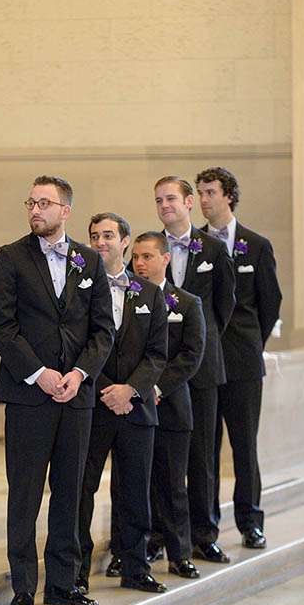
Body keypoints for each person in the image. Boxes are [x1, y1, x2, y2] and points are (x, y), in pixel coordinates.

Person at [0, 175, 114, 605]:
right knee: (24, 492)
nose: (35, 210)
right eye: (31, 202)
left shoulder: (89, 262)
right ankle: (23, 585)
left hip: (75, 397)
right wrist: (38, 374)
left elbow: (103, 330)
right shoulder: (10, 257)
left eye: (45, 203)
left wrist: (79, 374)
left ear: (65, 211)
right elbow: (1, 327)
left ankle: (64, 583)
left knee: (71, 490)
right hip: (29, 396)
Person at [145, 176, 235, 567]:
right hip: (155, 371)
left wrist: (198, 347)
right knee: (157, 457)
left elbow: (224, 308)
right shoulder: (149, 249)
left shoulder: (213, 248)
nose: (165, 205)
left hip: (199, 369)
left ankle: (203, 534)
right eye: (159, 200)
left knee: (202, 456)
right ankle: (158, 534)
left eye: (172, 199)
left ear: (188, 203)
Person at [77, 213, 167, 595]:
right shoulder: (79, 290)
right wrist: (106, 390)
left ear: (125, 241)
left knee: (134, 491)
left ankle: (135, 567)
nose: (101, 242)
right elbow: (77, 348)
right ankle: (75, 572)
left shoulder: (149, 293)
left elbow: (157, 355)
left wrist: (129, 390)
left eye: (108, 235)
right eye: (95, 236)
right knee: (82, 490)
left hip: (136, 408)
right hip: (93, 407)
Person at [196, 167, 282, 550]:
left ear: (229, 195)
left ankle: (251, 521)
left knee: (244, 444)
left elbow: (270, 302)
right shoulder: (194, 243)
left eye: (210, 192)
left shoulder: (256, 244)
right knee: (205, 447)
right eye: (199, 193)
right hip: (204, 362)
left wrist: (251, 342)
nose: (203, 200)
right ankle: (206, 527)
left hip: (244, 361)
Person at [131, 231, 205, 580]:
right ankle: (130, 549)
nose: (140, 264)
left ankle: (179, 553)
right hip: (133, 406)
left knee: (173, 483)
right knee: (131, 484)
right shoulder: (126, 298)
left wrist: (157, 387)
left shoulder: (187, 303)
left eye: (147, 256)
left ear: (165, 259)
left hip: (171, 404)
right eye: (136, 258)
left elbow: (191, 355)